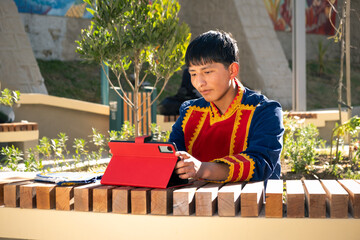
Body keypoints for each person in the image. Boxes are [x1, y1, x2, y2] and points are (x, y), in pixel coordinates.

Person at [169, 30, 284, 183]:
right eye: (193, 74)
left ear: (232, 70)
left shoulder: (264, 111)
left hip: (254, 204)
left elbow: (260, 164)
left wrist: (203, 169)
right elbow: (172, 156)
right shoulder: (190, 111)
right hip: (195, 203)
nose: (199, 83)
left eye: (207, 72)